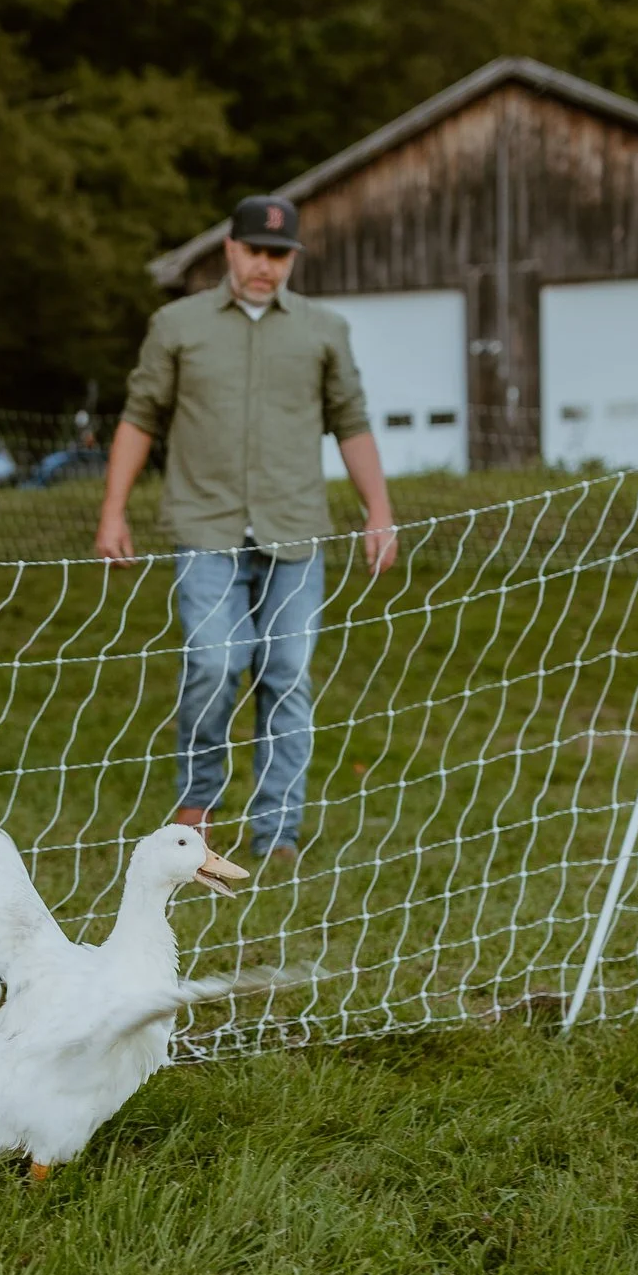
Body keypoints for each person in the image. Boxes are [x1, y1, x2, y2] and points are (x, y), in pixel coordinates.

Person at [94, 194, 399, 867]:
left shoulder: (324, 330)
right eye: (256, 251)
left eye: (280, 255)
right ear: (230, 249)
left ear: (293, 259)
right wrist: (113, 510)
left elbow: (350, 420)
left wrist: (378, 509)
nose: (266, 267)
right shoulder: (176, 324)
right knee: (213, 662)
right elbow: (140, 414)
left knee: (287, 675)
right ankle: (195, 810)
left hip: (295, 530)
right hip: (206, 527)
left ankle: (279, 831)